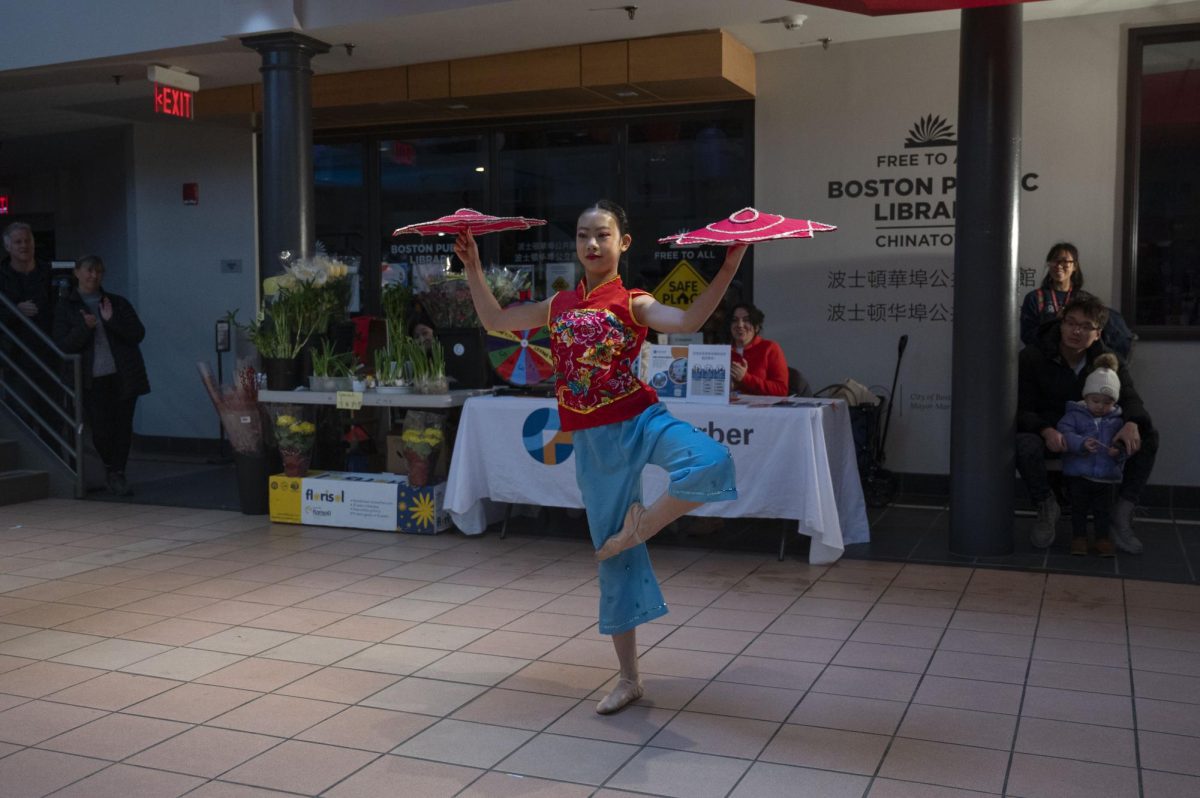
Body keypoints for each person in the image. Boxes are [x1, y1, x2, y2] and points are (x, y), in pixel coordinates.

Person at [455, 200, 744, 715]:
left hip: (640, 418)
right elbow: (495, 318)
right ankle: (629, 678)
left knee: (711, 461)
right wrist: (474, 269)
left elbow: (688, 319)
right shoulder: (559, 304)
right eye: (585, 235)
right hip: (592, 441)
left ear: (622, 243)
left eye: (603, 235)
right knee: (614, 562)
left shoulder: (634, 301)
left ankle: (641, 527)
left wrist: (726, 266)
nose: (592, 244)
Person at [1017, 293, 1155, 554]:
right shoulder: (1033, 357)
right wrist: (1045, 429)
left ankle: (1121, 513)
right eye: (1070, 322)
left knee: (1147, 436)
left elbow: (1130, 397)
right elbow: (1022, 409)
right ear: (1061, 322)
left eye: (1086, 326)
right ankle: (1047, 505)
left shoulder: (1106, 360)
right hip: (1053, 435)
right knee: (1024, 443)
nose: (1076, 331)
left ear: (1098, 332)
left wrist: (1132, 422)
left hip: (1099, 436)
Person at [53, 255, 150, 496]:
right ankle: (108, 467)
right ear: (77, 273)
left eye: (98, 271)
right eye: (88, 271)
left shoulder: (116, 303)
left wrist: (111, 320)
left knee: (122, 427)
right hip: (91, 379)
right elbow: (62, 344)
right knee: (101, 428)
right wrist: (85, 328)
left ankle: (117, 472)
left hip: (123, 375)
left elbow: (137, 333)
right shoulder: (66, 306)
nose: (93, 276)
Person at [1055, 353, 1127, 557]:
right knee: (1078, 509)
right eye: (1095, 400)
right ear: (1085, 398)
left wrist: (1118, 451)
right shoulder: (1074, 415)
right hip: (1079, 475)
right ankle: (1079, 538)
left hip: (1105, 477)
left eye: (1107, 402)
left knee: (1102, 511)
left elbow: (1123, 446)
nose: (1101, 406)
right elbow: (1064, 433)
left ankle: (1102, 539)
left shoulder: (1117, 421)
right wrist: (1080, 444)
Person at [1020, 242, 1083, 348]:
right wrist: (1054, 322)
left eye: (1064, 261)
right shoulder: (1034, 297)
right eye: (1054, 260)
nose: (1058, 266)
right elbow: (1027, 336)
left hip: (1074, 356)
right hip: (1043, 357)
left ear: (1074, 266)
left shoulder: (1083, 299)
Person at [0, 222, 54, 336]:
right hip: (12, 347)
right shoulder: (2, 275)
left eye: (28, 240)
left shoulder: (49, 272)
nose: (24, 245)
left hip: (47, 344)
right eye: (18, 242)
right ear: (7, 247)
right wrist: (15, 311)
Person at [729, 302, 789, 396]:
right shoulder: (723, 352)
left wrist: (745, 378)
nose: (740, 325)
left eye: (746, 320)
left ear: (756, 327)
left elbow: (781, 390)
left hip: (762, 409)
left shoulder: (770, 348)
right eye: (735, 320)